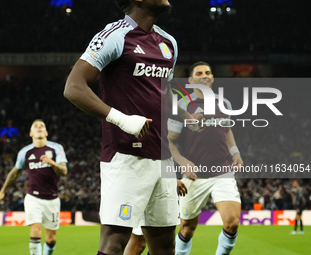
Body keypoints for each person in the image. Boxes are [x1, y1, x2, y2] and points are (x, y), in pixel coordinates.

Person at [63, 1, 201, 254]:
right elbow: (74, 87)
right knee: (115, 242)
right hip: (126, 155)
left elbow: (162, 92)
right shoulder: (114, 35)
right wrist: (121, 119)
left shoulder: (169, 42)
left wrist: (186, 115)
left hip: (162, 158)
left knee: (165, 245)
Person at [168, 61, 243, 255]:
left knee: (232, 223)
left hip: (222, 171)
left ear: (212, 78)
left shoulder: (224, 103)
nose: (205, 75)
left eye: (208, 72)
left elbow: (226, 130)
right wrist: (182, 161)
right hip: (195, 176)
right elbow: (170, 141)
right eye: (199, 73)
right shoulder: (183, 105)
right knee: (187, 228)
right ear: (191, 80)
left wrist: (235, 151)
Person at [0, 119, 68, 255]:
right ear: (31, 133)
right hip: (33, 197)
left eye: (42, 126)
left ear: (46, 132)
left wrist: (51, 162)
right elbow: (14, 173)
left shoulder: (56, 148)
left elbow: (64, 171)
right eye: (36, 126)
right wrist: (3, 191)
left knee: (51, 239)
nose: (39, 127)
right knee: (35, 230)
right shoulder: (25, 152)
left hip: (52, 199)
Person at [124, 180, 188, 255]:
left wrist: (170, 178)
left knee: (162, 245)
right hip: (144, 183)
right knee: (139, 241)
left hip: (164, 184)